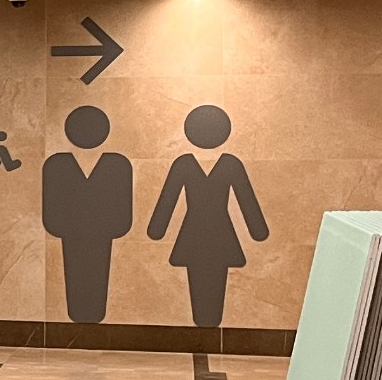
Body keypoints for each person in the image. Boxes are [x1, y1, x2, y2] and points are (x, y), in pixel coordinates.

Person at [147, 105, 269, 327]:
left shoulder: (185, 164)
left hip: (194, 233)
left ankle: (207, 321)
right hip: (220, 233)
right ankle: (207, 321)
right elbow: (247, 202)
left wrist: (157, 230)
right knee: (209, 280)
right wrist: (258, 231)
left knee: (206, 280)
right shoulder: (229, 164)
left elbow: (167, 203)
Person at [41, 106, 133, 323]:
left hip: (98, 234)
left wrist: (112, 227)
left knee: (97, 275)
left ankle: (91, 314)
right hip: (74, 234)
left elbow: (123, 211)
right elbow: (51, 212)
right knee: (76, 275)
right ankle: (82, 314)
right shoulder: (57, 163)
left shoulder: (117, 163)